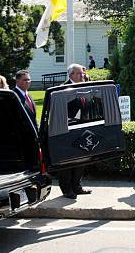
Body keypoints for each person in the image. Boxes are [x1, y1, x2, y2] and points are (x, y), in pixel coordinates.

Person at [58, 64, 92, 199]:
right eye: (79, 74)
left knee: (81, 160)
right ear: (71, 74)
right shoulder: (63, 88)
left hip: (82, 128)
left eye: (83, 74)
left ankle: (77, 186)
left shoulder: (84, 87)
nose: (82, 76)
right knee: (68, 161)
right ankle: (67, 189)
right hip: (67, 130)